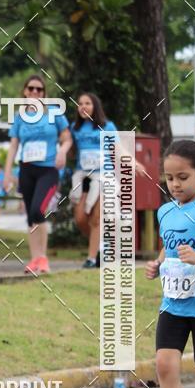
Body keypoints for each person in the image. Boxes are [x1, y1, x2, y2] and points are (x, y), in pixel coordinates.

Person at [145, 123, 195, 388]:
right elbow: (166, 250)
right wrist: (157, 266)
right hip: (174, 303)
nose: (176, 185)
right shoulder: (165, 211)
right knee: (165, 364)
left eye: (183, 177)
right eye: (170, 178)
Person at [3, 74, 71, 274]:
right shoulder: (19, 117)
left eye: (39, 89)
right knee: (30, 218)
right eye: (31, 88)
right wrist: (7, 173)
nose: (34, 92)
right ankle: (35, 259)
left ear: (44, 93)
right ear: (25, 91)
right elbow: (14, 146)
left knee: (37, 210)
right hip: (26, 169)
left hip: (48, 170)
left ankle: (43, 258)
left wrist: (62, 151)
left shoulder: (54, 112)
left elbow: (67, 138)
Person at [69, 93, 118, 268]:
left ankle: (91, 259)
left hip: (104, 177)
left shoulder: (107, 126)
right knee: (81, 218)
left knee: (97, 218)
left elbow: (117, 149)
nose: (83, 106)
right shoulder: (74, 128)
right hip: (84, 177)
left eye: (87, 103)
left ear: (95, 106)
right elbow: (68, 147)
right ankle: (101, 246)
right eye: (80, 103)